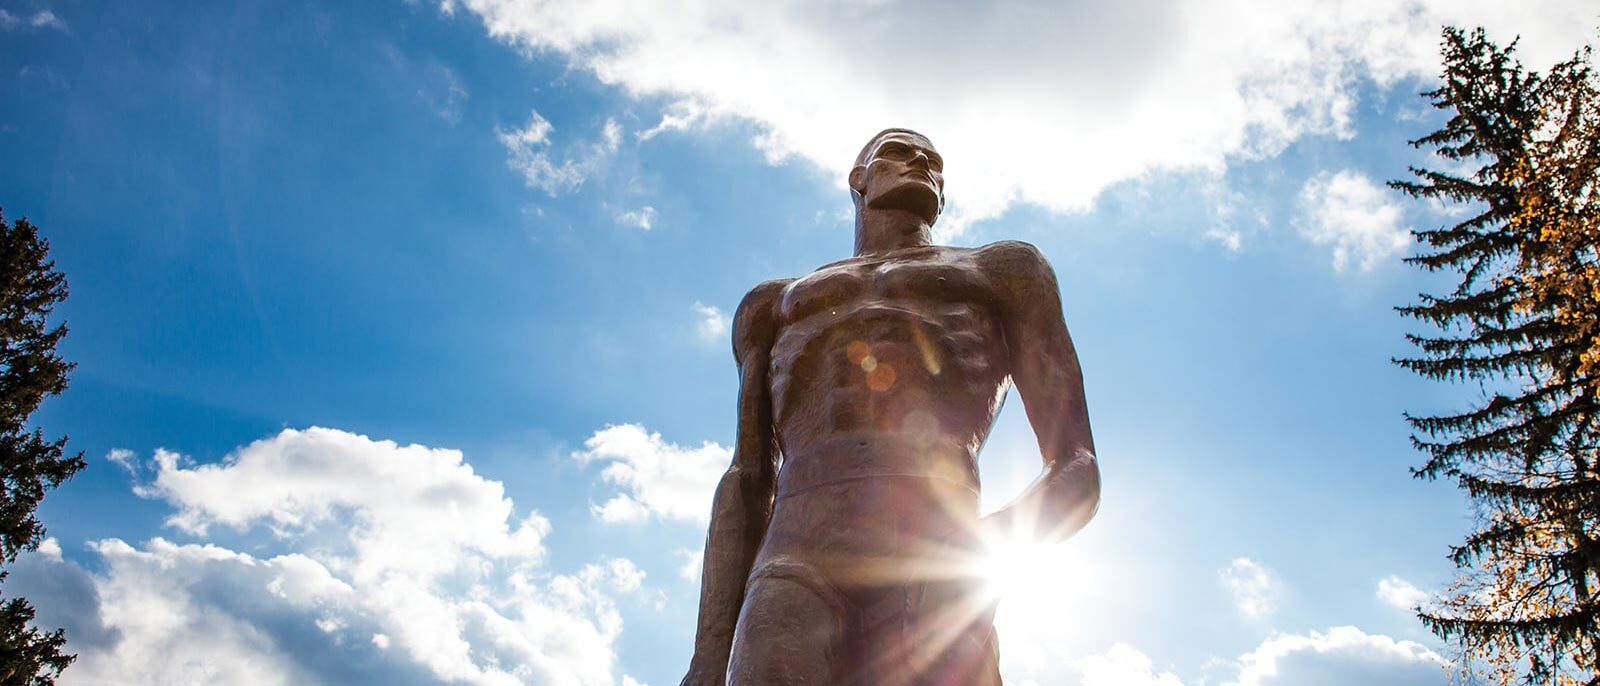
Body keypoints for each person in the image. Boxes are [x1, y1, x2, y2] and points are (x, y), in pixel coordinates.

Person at [680, 128, 1101, 686]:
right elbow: (747, 479)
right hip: (798, 554)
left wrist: (985, 548)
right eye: (901, 152)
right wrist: (707, 659)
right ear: (859, 178)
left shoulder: (1002, 272)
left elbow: (1077, 465)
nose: (924, 164)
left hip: (936, 551)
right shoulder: (770, 306)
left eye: (935, 162)